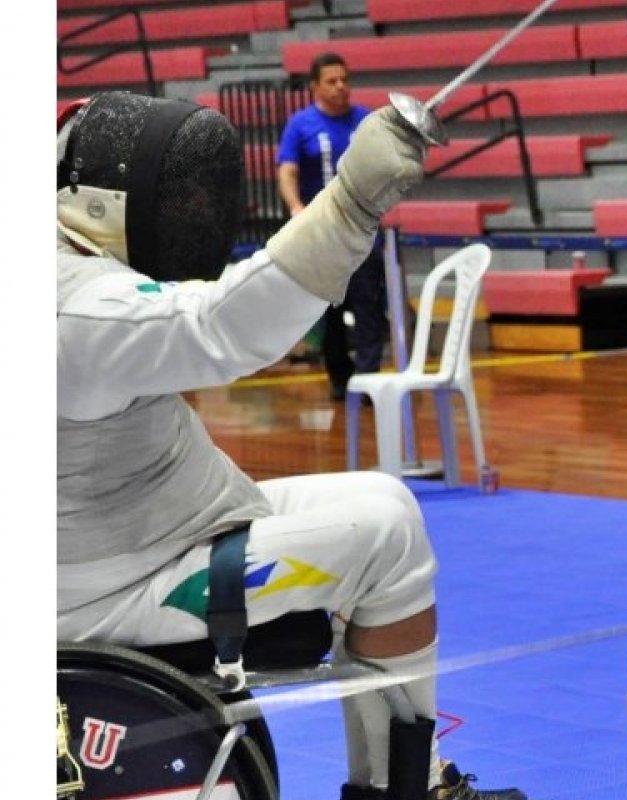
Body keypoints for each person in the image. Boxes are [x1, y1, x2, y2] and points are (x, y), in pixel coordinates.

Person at [56, 91, 526, 800]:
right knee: (381, 537)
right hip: (109, 589)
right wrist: (348, 206)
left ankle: (406, 780)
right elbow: (218, 328)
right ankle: (406, 792)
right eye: (181, 198)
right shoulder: (71, 306)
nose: (195, 216)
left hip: (154, 528)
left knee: (381, 496)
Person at [278, 52, 389, 401]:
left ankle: (368, 380)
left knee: (369, 305)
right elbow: (287, 169)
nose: (341, 86)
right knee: (328, 309)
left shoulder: (366, 121)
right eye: (332, 80)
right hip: (321, 234)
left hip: (363, 229)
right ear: (315, 86)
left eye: (345, 79)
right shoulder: (300, 125)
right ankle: (341, 380)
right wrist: (295, 206)